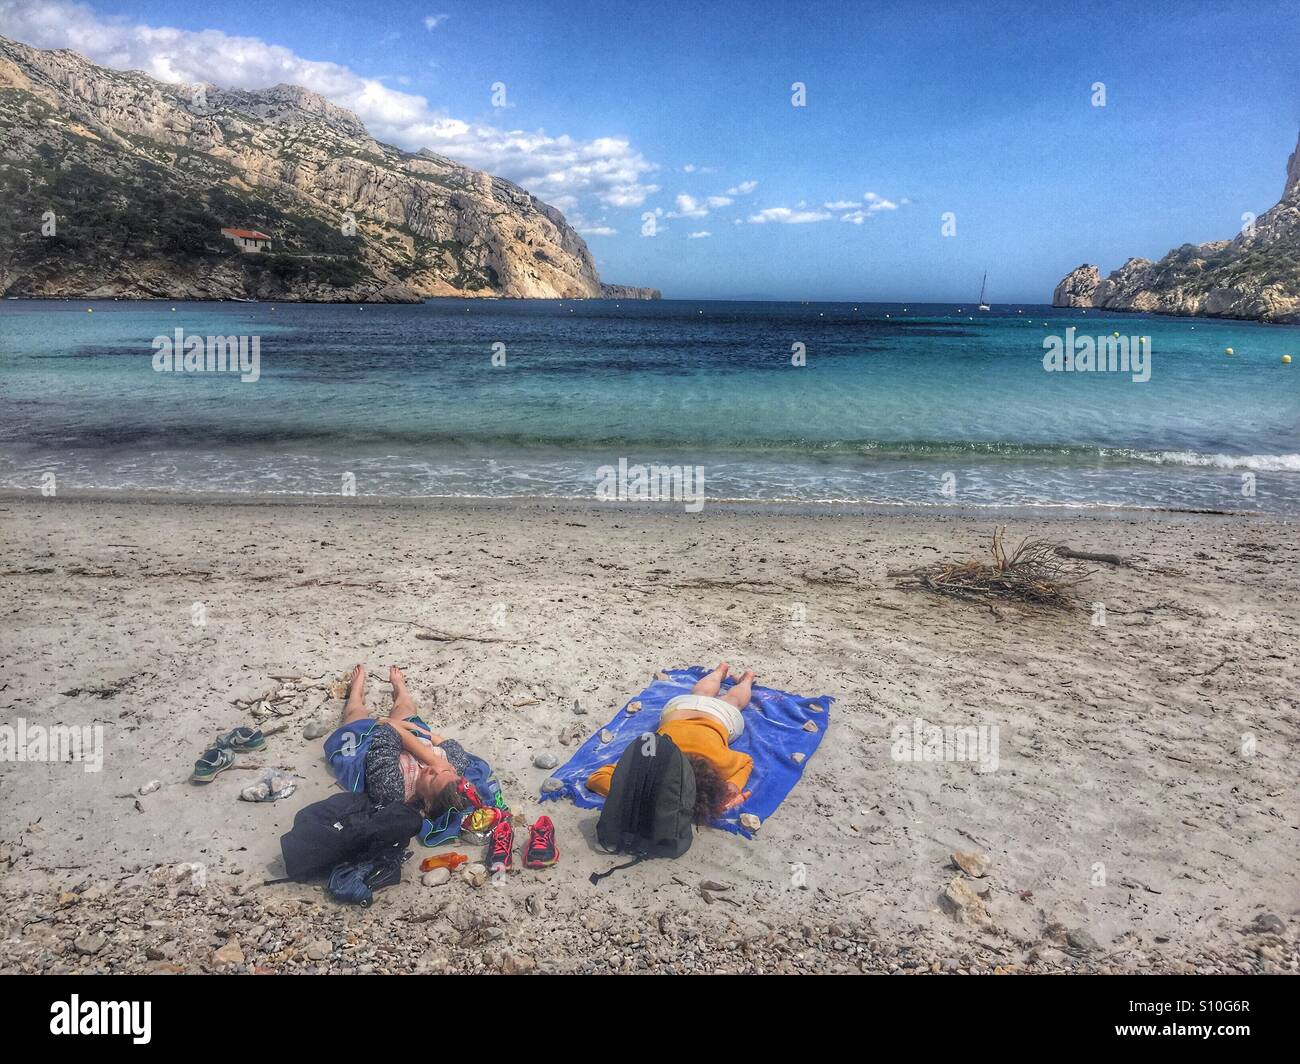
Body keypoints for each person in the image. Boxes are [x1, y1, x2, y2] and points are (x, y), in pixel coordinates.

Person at [585, 662, 755, 823]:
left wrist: (733, 783)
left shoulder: (720, 763)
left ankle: (725, 672)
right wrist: (734, 785)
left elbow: (746, 761)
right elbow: (598, 777)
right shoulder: (653, 758)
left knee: (715, 698)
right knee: (727, 700)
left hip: (693, 710)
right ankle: (743, 677)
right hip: (681, 712)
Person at [339, 664, 470, 818]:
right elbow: (442, 741)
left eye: (432, 778)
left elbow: (389, 730)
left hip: (373, 746)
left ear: (427, 802)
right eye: (445, 770)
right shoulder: (455, 767)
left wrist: (432, 758)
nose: (433, 768)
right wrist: (414, 728)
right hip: (405, 734)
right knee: (405, 709)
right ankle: (400, 688)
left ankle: (356, 691)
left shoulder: (393, 789)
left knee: (355, 714)